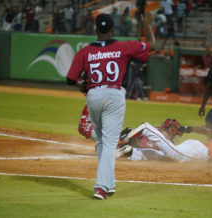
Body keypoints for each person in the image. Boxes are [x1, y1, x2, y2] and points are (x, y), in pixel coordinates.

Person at [66, 12, 156, 200]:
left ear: (96, 29)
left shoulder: (85, 52)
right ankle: (101, 187)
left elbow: (70, 79)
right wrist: (147, 25)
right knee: (108, 143)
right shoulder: (124, 47)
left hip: (93, 96)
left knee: (101, 141)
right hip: (114, 95)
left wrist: (83, 84)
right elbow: (153, 46)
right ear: (113, 29)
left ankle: (110, 183)